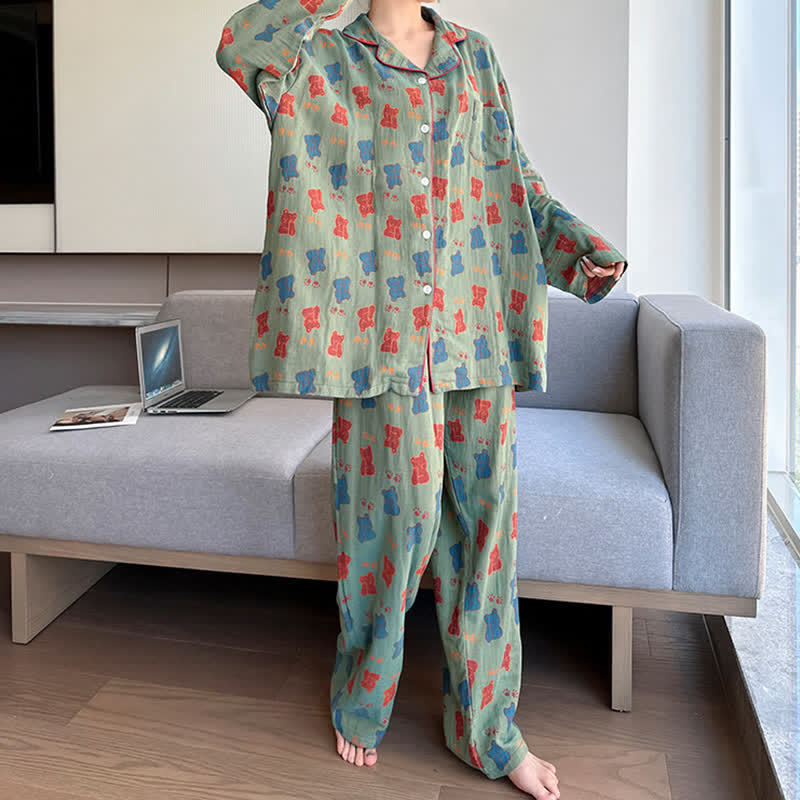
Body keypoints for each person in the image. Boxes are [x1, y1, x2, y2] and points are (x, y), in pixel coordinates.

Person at [216, 1, 627, 797]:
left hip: (476, 326)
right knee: (392, 521)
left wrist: (576, 251)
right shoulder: (319, 58)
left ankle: (488, 732)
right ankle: (363, 695)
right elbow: (239, 43)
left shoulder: (475, 57)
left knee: (485, 526)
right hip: (379, 339)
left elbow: (512, 176)